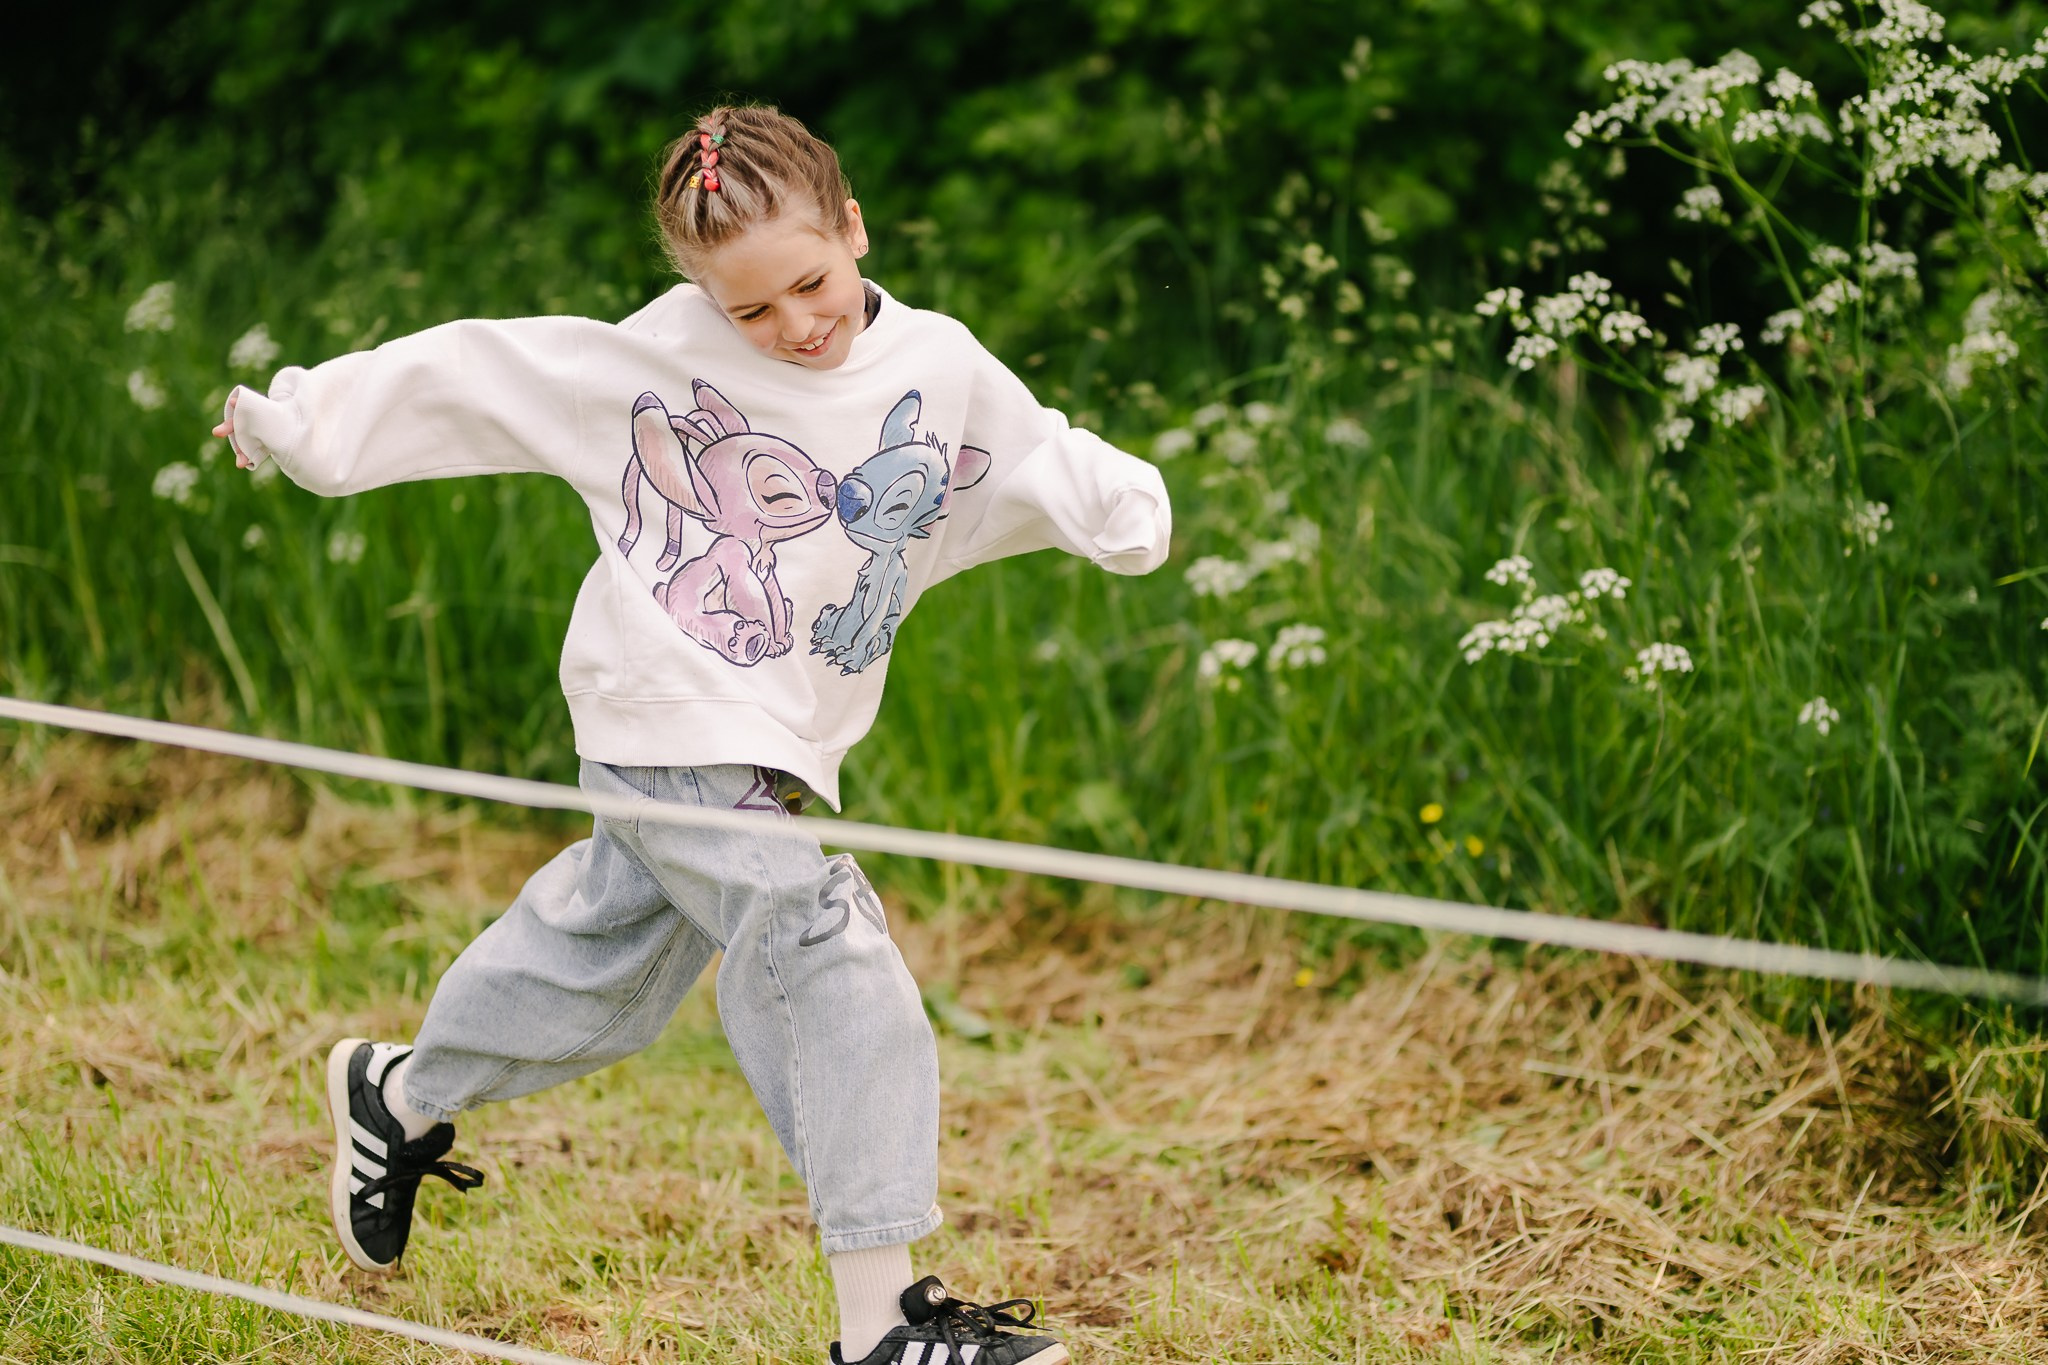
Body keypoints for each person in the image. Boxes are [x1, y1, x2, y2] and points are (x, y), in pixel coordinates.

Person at [213, 103, 1170, 1365]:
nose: (795, 326)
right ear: (703, 300)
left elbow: (1020, 455)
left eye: (812, 284)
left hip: (775, 741)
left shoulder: (938, 363)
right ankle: (884, 1323)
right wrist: (311, 425)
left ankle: (402, 1096)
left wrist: (1113, 501)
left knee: (593, 970)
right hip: (659, 705)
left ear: (854, 229)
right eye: (751, 312)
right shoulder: (655, 361)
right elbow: (486, 374)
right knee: (816, 935)